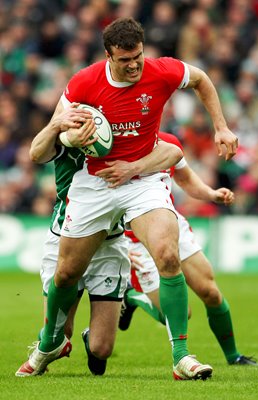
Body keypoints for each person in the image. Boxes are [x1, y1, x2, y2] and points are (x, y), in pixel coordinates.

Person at [16, 17, 238, 380]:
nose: (134, 65)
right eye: (124, 60)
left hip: (142, 179)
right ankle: (48, 344)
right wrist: (65, 128)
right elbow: (50, 139)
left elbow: (201, 79)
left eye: (138, 56)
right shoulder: (84, 82)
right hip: (95, 182)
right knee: (66, 273)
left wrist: (221, 126)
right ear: (108, 56)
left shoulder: (161, 71)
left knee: (168, 254)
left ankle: (181, 356)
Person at [16, 107, 184, 377]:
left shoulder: (123, 140)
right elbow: (35, 154)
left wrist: (136, 166)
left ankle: (89, 338)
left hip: (109, 245)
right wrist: (56, 124)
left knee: (101, 348)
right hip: (66, 240)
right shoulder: (64, 139)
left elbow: (174, 151)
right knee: (61, 331)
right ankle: (49, 344)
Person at [115, 132, 258, 367]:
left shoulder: (168, 143)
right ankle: (132, 297)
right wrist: (116, 243)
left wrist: (212, 194)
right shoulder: (114, 147)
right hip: (136, 240)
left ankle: (234, 357)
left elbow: (185, 179)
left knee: (210, 292)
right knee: (181, 313)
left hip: (171, 226)